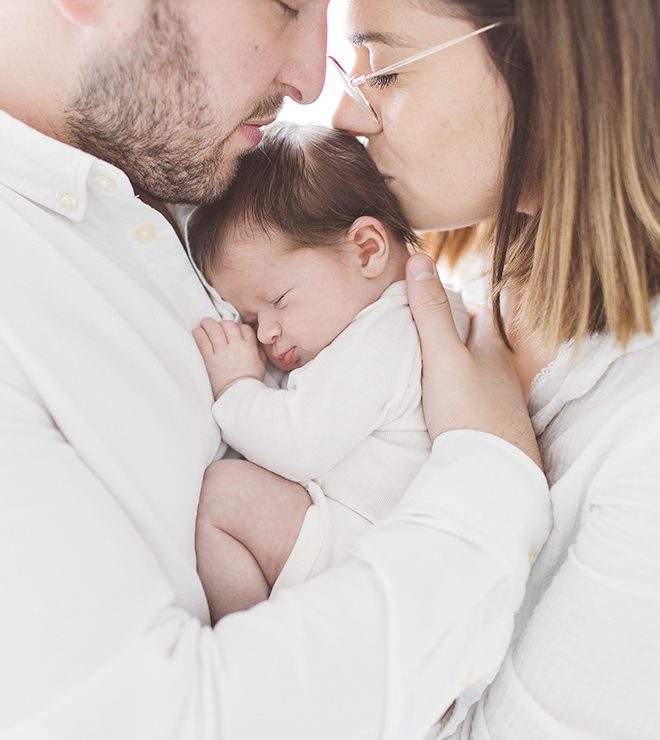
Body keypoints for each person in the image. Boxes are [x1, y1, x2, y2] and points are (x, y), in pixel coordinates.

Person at [0, 2, 549, 739]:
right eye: (285, 3)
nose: (310, 79)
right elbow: (167, 722)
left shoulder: (214, 166)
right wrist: (491, 470)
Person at [331, 0, 660, 738]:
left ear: (544, 61)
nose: (345, 118)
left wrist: (489, 460)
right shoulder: (472, 272)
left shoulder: (645, 436)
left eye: (383, 69)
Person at [188, 122, 470, 622]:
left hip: (362, 553)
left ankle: (254, 648)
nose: (265, 334)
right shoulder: (410, 312)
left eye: (275, 302)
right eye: (250, 321)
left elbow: (299, 443)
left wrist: (236, 387)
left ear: (366, 249)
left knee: (223, 496)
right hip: (378, 555)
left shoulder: (388, 332)